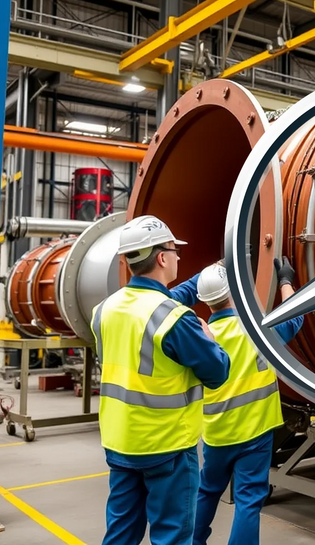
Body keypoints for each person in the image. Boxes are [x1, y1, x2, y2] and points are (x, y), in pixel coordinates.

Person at [91, 215, 231, 545]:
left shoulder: (105, 310)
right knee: (172, 537)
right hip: (167, 446)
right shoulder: (177, 319)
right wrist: (210, 339)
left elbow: (157, 304)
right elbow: (217, 373)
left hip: (121, 442)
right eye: (175, 251)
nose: (179, 257)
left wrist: (212, 271)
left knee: (120, 534)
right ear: (163, 258)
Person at [193, 257, 304, 544]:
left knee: (207, 491)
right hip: (256, 433)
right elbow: (294, 317)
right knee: (249, 500)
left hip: (217, 434)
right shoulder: (256, 329)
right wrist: (285, 281)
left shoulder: (201, 336)